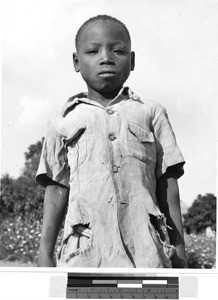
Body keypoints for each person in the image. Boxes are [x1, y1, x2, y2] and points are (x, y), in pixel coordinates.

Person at [36, 15, 187, 268]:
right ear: (76, 61)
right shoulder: (62, 121)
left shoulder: (152, 113)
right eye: (93, 51)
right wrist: (45, 253)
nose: (106, 57)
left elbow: (168, 187)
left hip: (147, 255)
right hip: (84, 255)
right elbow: (56, 188)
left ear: (132, 60)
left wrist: (180, 254)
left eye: (118, 50)